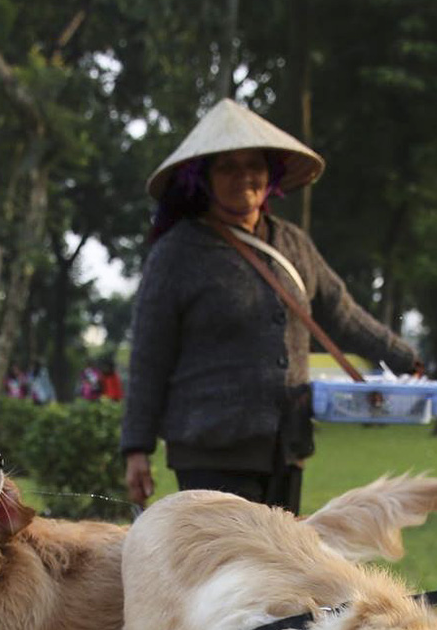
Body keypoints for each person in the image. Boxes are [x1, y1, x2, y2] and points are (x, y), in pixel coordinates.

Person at [121, 99, 420, 514]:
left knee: (280, 573)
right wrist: (137, 448)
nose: (244, 177)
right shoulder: (177, 253)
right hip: (210, 449)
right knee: (229, 575)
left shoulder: (293, 243)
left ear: (271, 174)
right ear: (202, 178)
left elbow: (343, 315)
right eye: (227, 167)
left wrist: (407, 359)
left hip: (285, 444)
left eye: (254, 165)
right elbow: (149, 357)